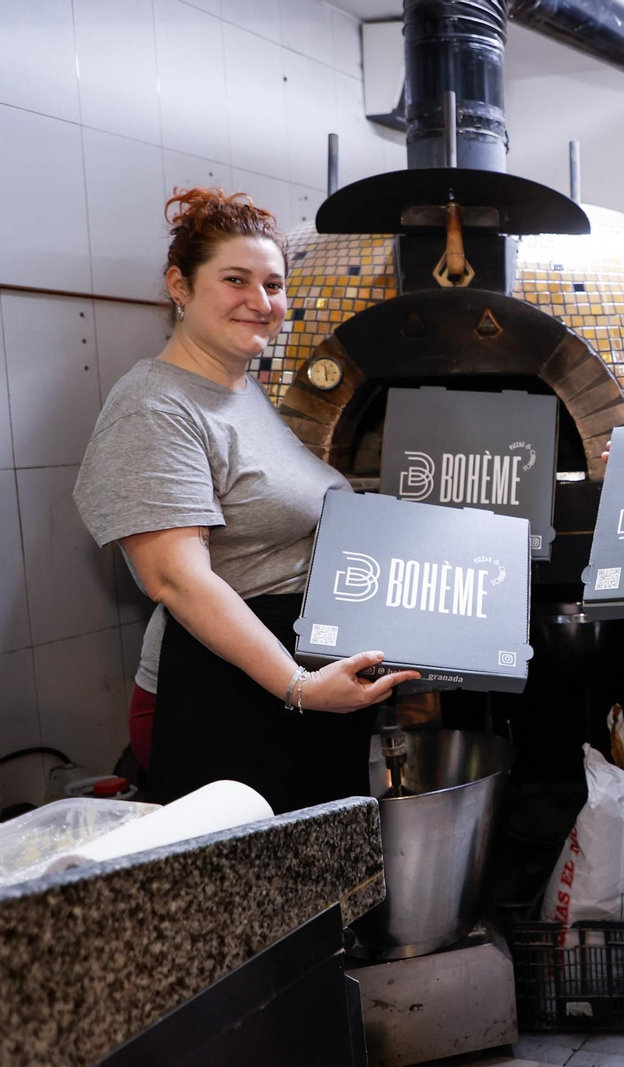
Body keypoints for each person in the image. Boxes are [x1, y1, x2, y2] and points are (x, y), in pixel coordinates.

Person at [74, 189, 418, 813]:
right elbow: (177, 581)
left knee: (321, 892)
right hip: (228, 690)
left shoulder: (240, 389)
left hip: (297, 674)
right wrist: (301, 686)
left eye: (273, 284)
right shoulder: (154, 407)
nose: (260, 303)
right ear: (180, 285)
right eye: (236, 280)